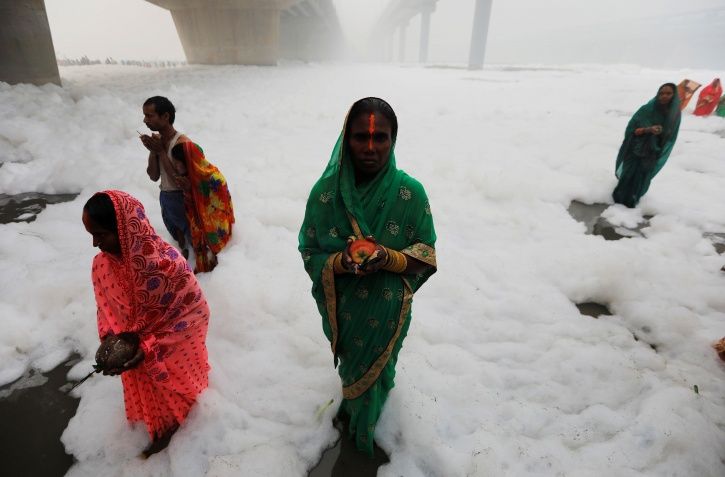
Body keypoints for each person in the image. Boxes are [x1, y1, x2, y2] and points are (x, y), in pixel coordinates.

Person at [298, 97, 437, 456]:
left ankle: (367, 429)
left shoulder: (410, 192)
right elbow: (310, 250)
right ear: (346, 139)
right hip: (346, 308)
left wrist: (388, 257)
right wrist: (342, 262)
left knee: (380, 369)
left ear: (394, 140)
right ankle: (358, 414)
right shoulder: (325, 195)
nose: (371, 148)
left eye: (381, 138)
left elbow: (426, 253)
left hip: (387, 307)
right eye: (361, 137)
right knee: (354, 369)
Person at [82, 190, 210, 457]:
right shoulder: (101, 266)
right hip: (133, 361)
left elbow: (196, 314)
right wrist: (110, 341)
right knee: (147, 411)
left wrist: (151, 347)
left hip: (171, 356)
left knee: (176, 411)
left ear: (126, 229)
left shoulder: (168, 267)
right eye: (91, 235)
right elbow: (104, 310)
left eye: (101, 234)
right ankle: (154, 428)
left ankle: (174, 430)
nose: (95, 243)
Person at [612, 83, 681, 208]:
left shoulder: (674, 115)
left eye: (668, 93)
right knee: (628, 173)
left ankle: (633, 200)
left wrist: (661, 133)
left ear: (674, 95)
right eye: (661, 93)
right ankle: (618, 199)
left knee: (642, 176)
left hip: (653, 151)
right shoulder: (647, 109)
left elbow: (670, 136)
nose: (664, 96)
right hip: (635, 148)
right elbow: (632, 129)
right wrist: (648, 130)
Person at [170, 142, 235, 272]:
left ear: (188, 160)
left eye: (178, 162)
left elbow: (219, 211)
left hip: (216, 230)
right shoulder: (189, 178)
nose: (175, 166)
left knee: (219, 263)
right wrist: (188, 191)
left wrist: (191, 191)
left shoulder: (215, 179)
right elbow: (192, 211)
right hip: (201, 231)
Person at [140, 96, 192, 259]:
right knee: (180, 240)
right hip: (165, 197)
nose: (145, 120)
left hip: (181, 199)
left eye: (150, 116)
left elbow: (181, 182)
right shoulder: (159, 141)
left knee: (191, 240)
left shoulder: (181, 143)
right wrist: (153, 150)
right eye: (144, 115)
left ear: (165, 117)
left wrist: (161, 152)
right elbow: (153, 176)